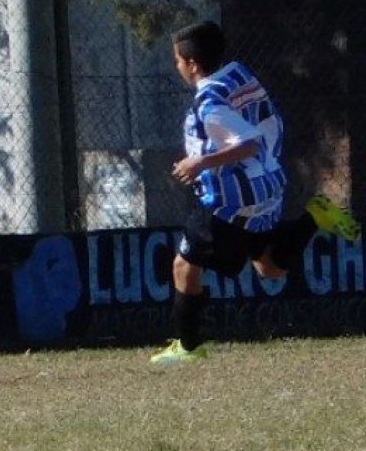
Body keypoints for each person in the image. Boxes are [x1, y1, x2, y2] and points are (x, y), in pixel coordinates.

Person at [150, 21, 361, 366]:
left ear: (192, 64)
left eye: (177, 60)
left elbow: (246, 144)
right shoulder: (238, 75)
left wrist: (201, 162)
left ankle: (188, 347)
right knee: (270, 267)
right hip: (266, 189)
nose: (176, 66)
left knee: (183, 265)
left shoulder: (208, 102)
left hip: (230, 201)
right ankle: (315, 216)